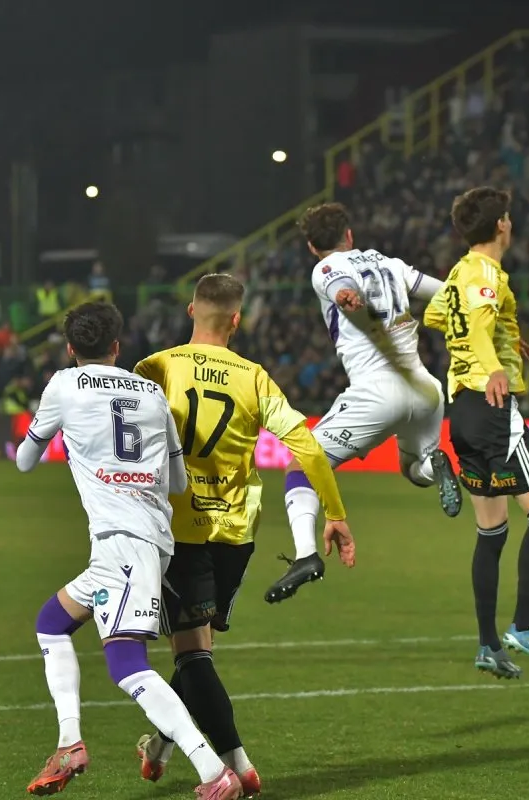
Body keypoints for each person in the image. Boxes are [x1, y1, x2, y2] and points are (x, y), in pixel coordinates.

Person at [132, 274, 354, 792]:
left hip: (178, 529)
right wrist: (335, 512)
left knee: (192, 654)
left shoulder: (156, 367)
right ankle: (161, 744)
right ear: (237, 320)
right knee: (198, 645)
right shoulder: (254, 377)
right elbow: (307, 446)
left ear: (191, 310)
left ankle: (237, 762)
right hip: (235, 533)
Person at [15, 302, 243, 800]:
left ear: (71, 348)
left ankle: (213, 773)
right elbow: (178, 481)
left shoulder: (63, 385)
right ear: (117, 347)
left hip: (125, 542)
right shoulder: (151, 393)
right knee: (51, 623)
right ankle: (69, 743)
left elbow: (25, 460)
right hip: (142, 540)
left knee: (127, 665)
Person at [267, 202, 459, 603]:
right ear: (349, 235)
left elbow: (340, 287)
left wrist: (347, 297)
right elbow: (447, 293)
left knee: (301, 463)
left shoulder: (325, 267)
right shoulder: (391, 264)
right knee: (413, 468)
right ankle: (435, 464)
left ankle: (305, 555)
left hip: (378, 391)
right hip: (426, 388)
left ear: (311, 246)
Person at [423, 186, 529, 678]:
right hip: (492, 407)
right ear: (502, 224)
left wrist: (508, 336)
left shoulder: (458, 273)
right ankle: (524, 625)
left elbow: (438, 316)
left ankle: (488, 645)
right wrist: (494, 367)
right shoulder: (486, 272)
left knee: (492, 533)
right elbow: (478, 323)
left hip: (462, 411)